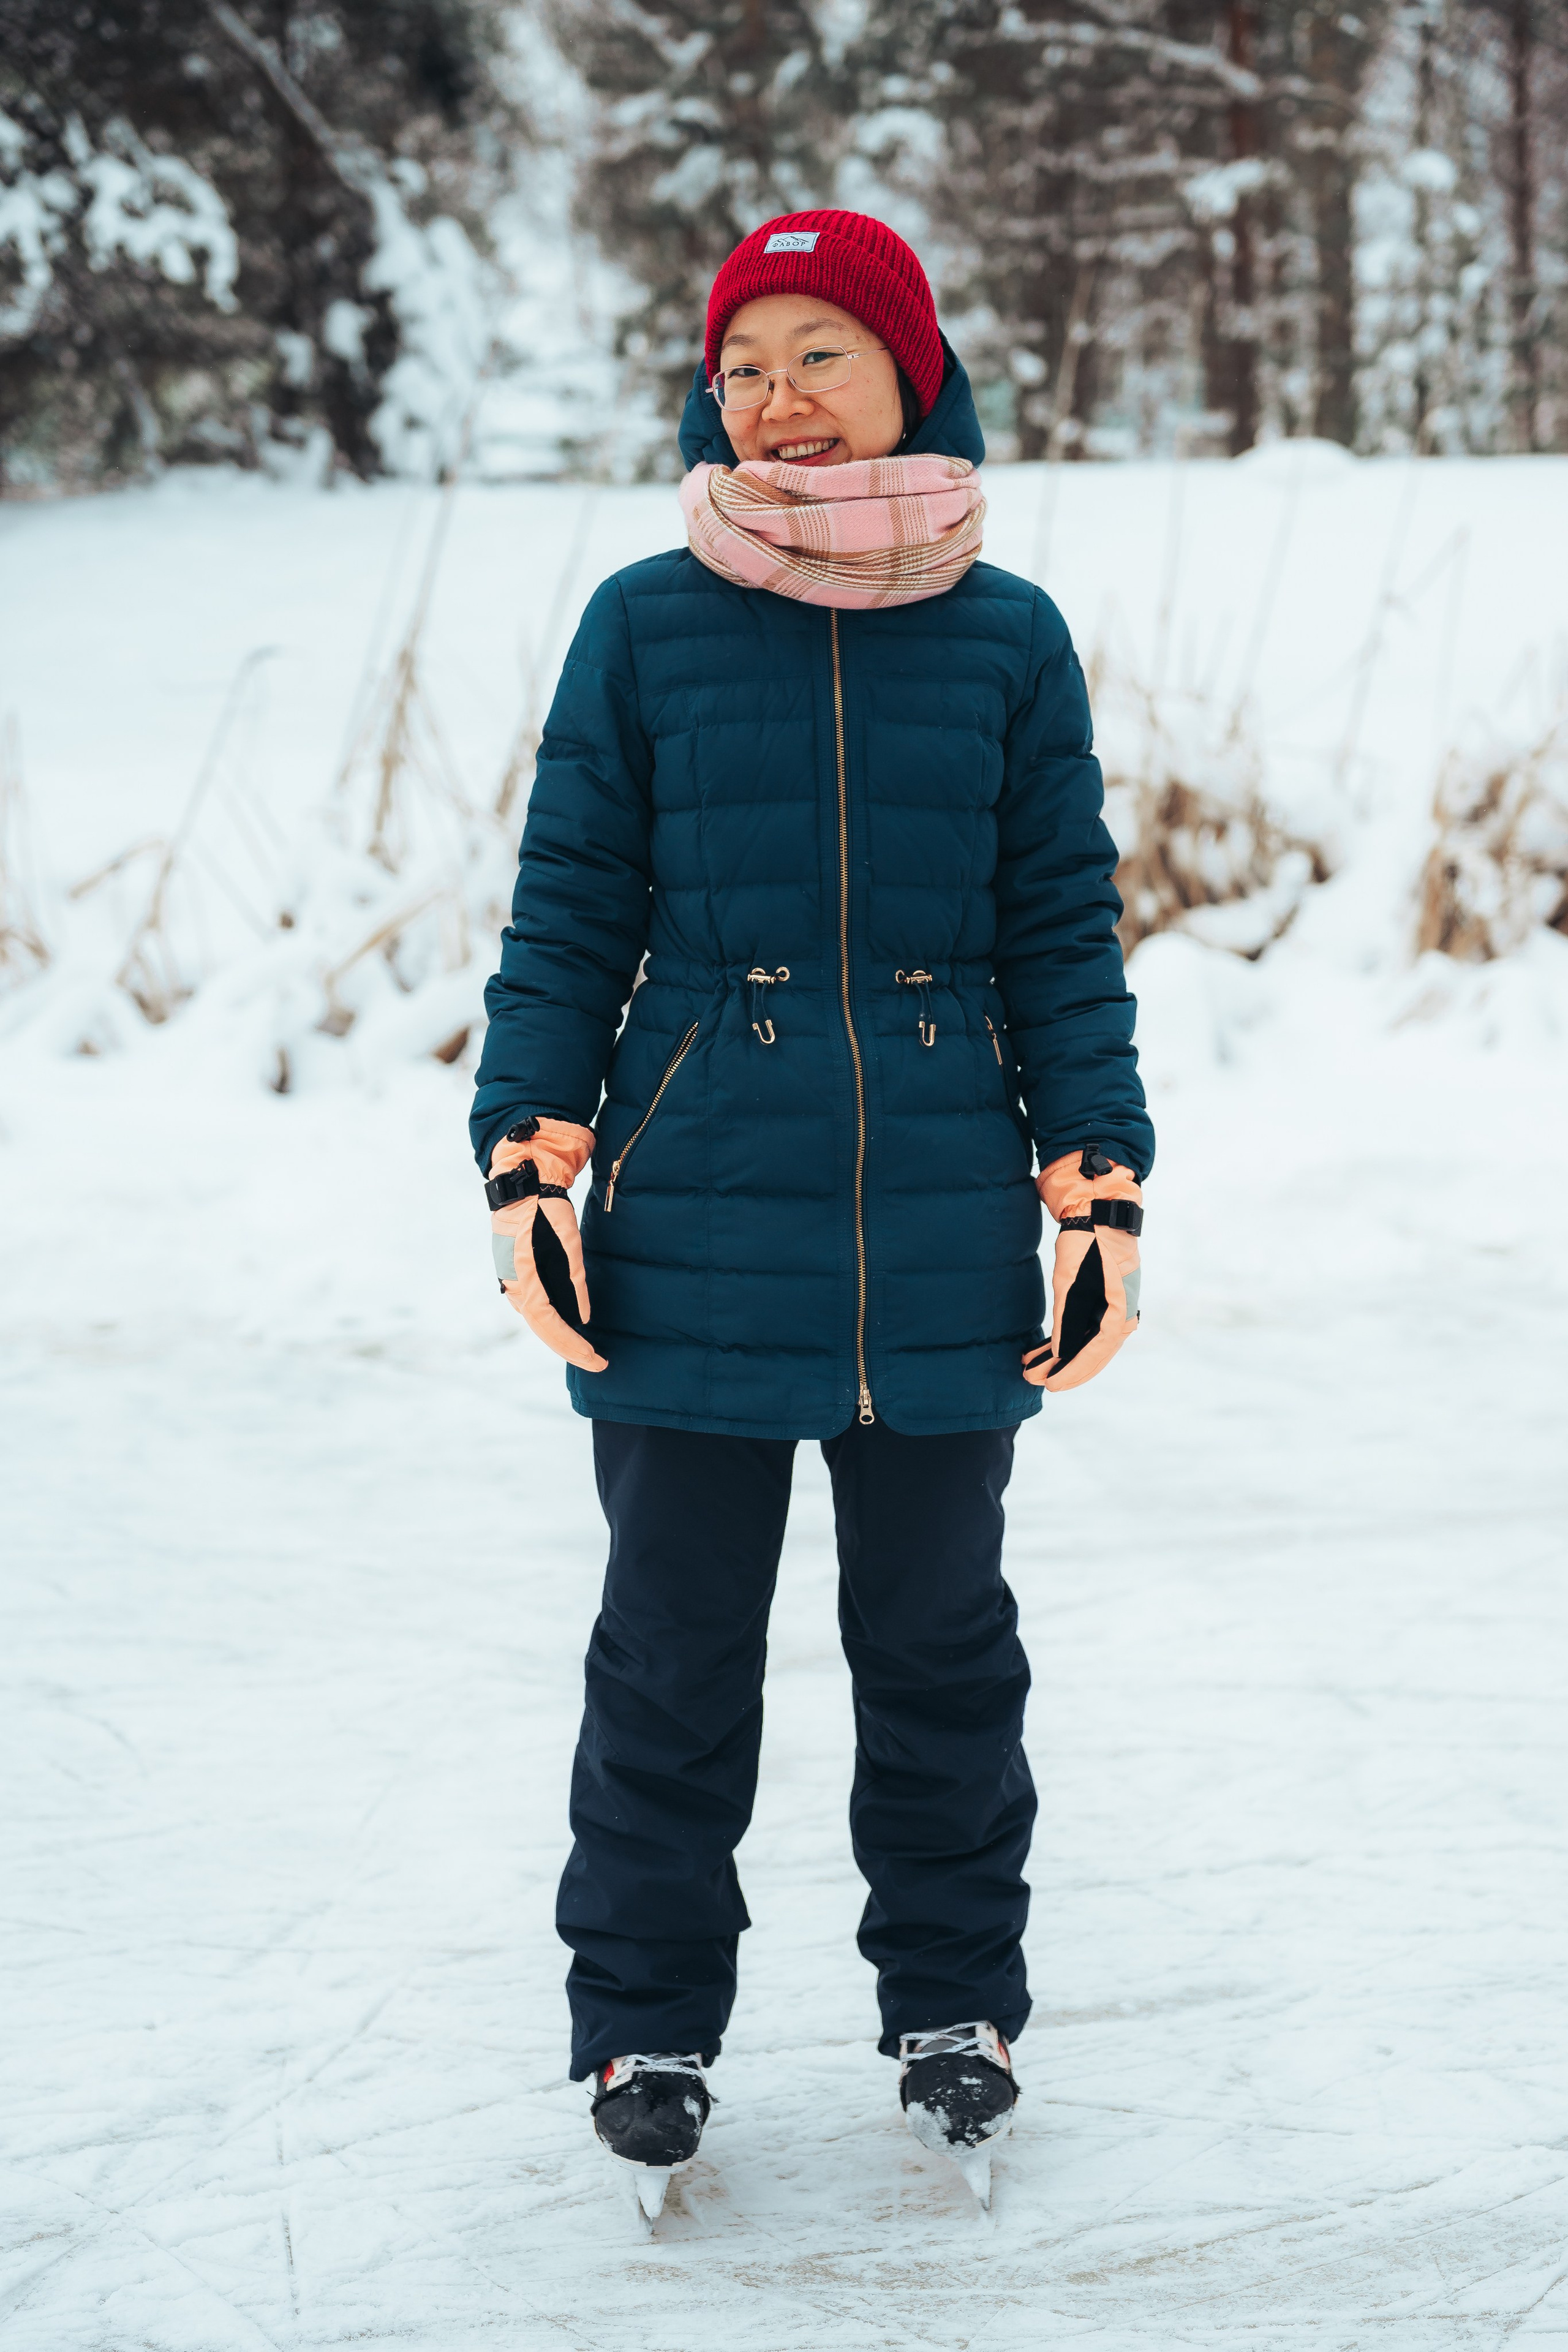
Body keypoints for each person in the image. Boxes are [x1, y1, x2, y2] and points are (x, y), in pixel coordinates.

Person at [472, 209, 1152, 2214]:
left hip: (941, 1220)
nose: (772, 399)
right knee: (672, 1649)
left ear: (910, 375)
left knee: (941, 1645)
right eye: (742, 361)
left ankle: (956, 2003)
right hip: (693, 1221)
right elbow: (568, 909)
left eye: (819, 355)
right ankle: (646, 2020)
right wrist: (531, 1147)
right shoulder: (645, 618)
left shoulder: (1007, 633)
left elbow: (1061, 930)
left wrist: (1098, 1176)